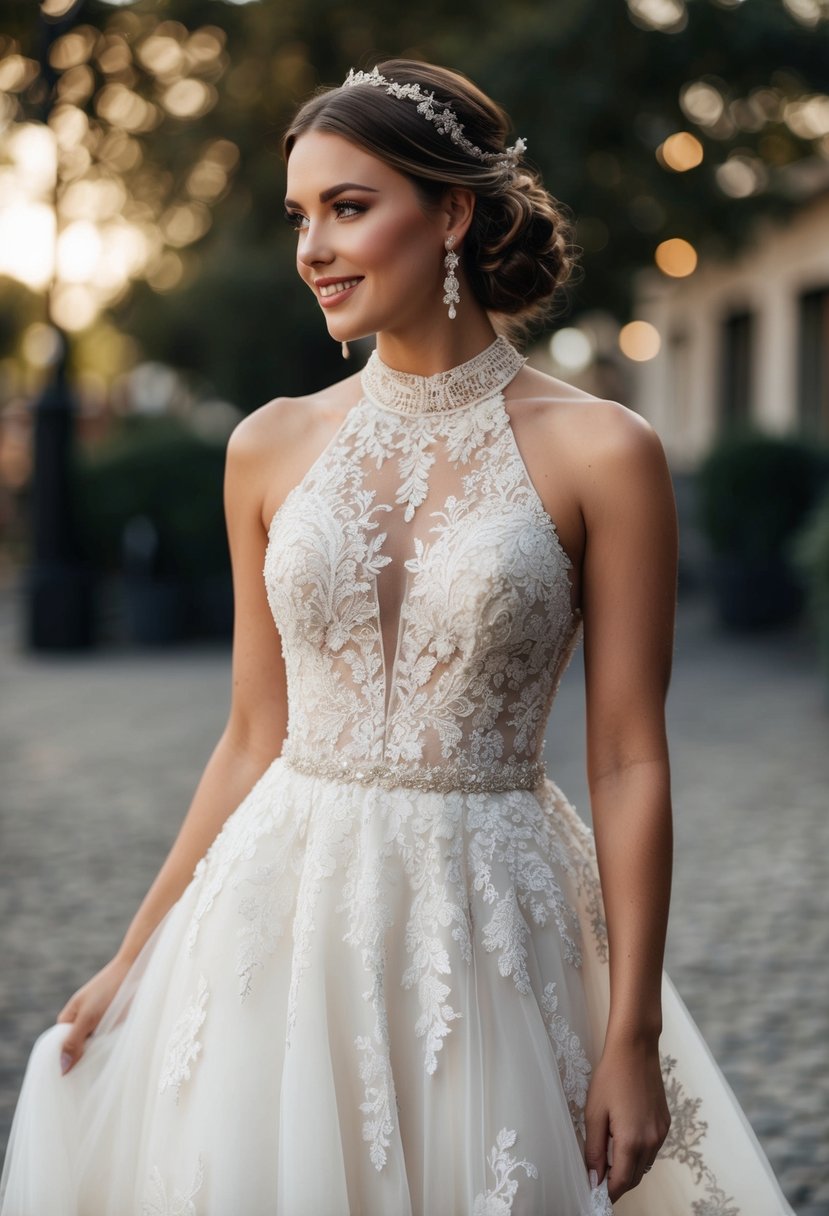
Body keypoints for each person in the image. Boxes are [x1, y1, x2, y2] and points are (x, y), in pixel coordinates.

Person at [0, 58, 796, 1216]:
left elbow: (628, 756)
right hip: (277, 913)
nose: (311, 249)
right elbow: (249, 733)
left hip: (491, 919)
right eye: (298, 217)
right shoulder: (267, 446)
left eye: (348, 207)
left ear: (454, 212)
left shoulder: (603, 452)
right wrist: (134, 955)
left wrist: (629, 1030)